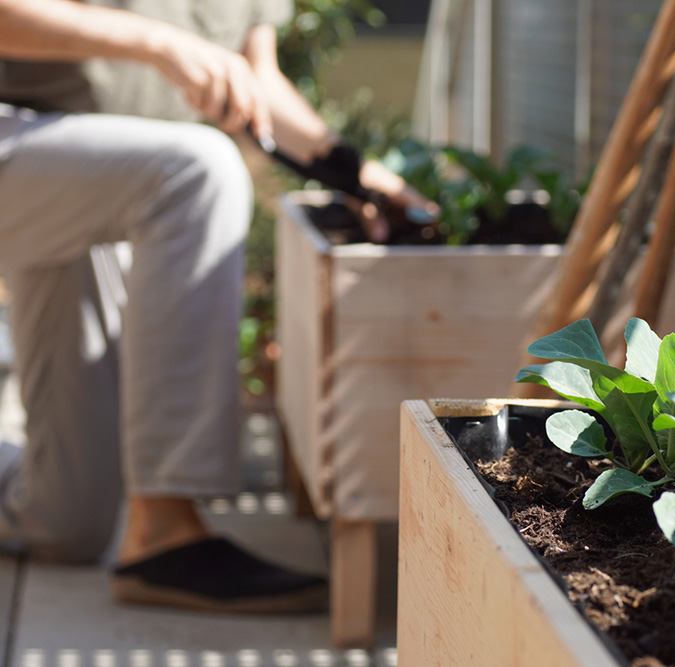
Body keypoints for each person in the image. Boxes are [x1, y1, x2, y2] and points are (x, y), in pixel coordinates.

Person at [0, 0, 431, 613]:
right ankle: (164, 532)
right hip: (22, 136)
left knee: (63, 519)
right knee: (198, 170)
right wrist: (158, 42)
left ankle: (134, 527)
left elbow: (257, 81)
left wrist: (359, 175)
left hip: (89, 186)